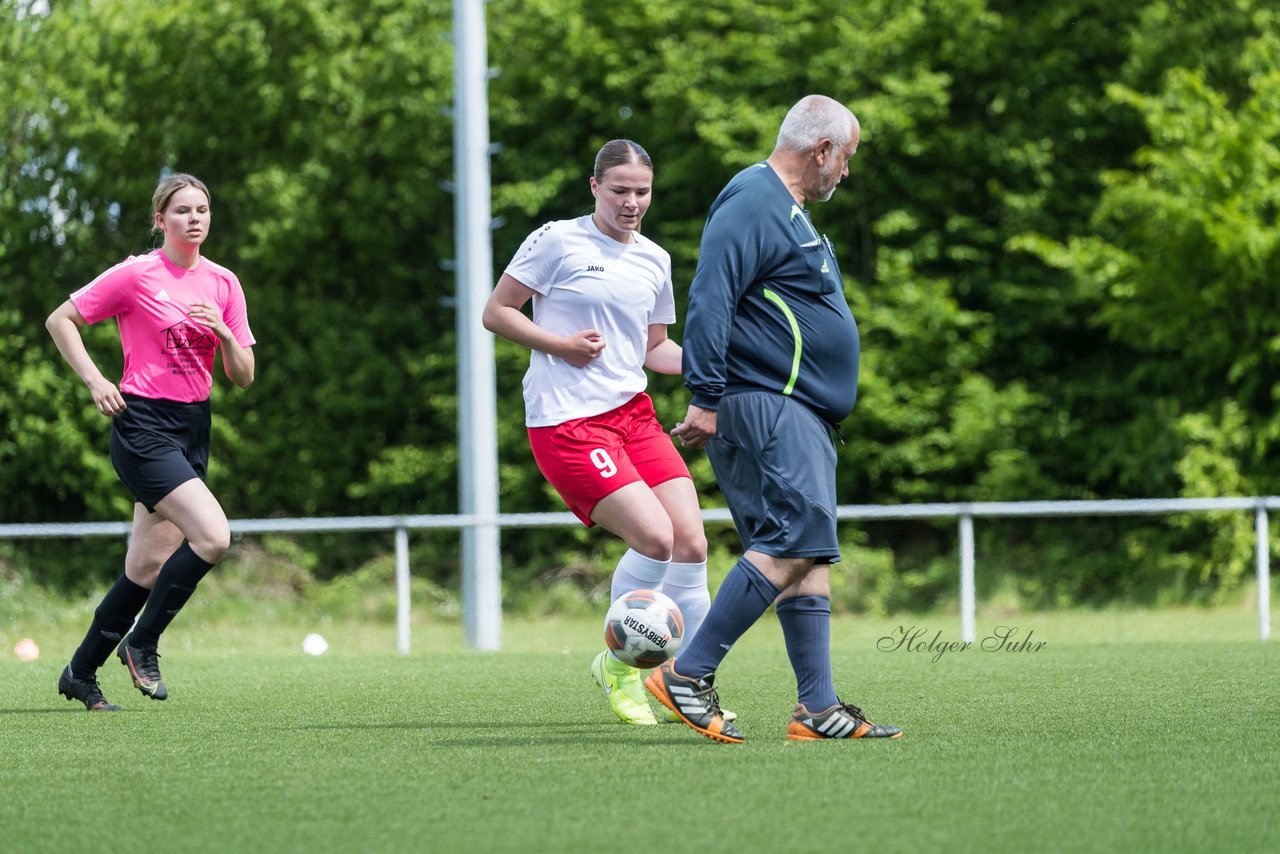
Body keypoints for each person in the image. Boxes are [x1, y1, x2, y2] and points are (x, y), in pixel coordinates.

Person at [645, 95, 903, 744]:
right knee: (792, 538)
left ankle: (817, 709)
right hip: (767, 402)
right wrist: (703, 395)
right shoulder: (755, 198)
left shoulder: (791, 214)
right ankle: (689, 673)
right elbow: (711, 295)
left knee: (808, 551)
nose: (846, 173)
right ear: (821, 151)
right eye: (846, 159)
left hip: (799, 410)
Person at [482, 140, 726, 727]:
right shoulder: (557, 240)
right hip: (568, 421)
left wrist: (719, 370)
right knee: (653, 536)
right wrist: (560, 345)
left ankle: (683, 682)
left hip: (633, 413)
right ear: (594, 188)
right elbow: (497, 311)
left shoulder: (655, 259)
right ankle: (620, 667)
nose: (632, 202)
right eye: (619, 190)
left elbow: (655, 347)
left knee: (692, 542)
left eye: (641, 191)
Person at [48, 173, 256, 711]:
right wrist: (97, 380)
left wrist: (228, 336)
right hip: (142, 424)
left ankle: (80, 672)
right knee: (213, 537)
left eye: (203, 209)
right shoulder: (137, 274)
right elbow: (61, 320)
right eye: (183, 210)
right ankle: (141, 642)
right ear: (160, 220)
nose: (195, 219)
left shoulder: (223, 283)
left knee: (144, 568)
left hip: (193, 426)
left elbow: (244, 375)